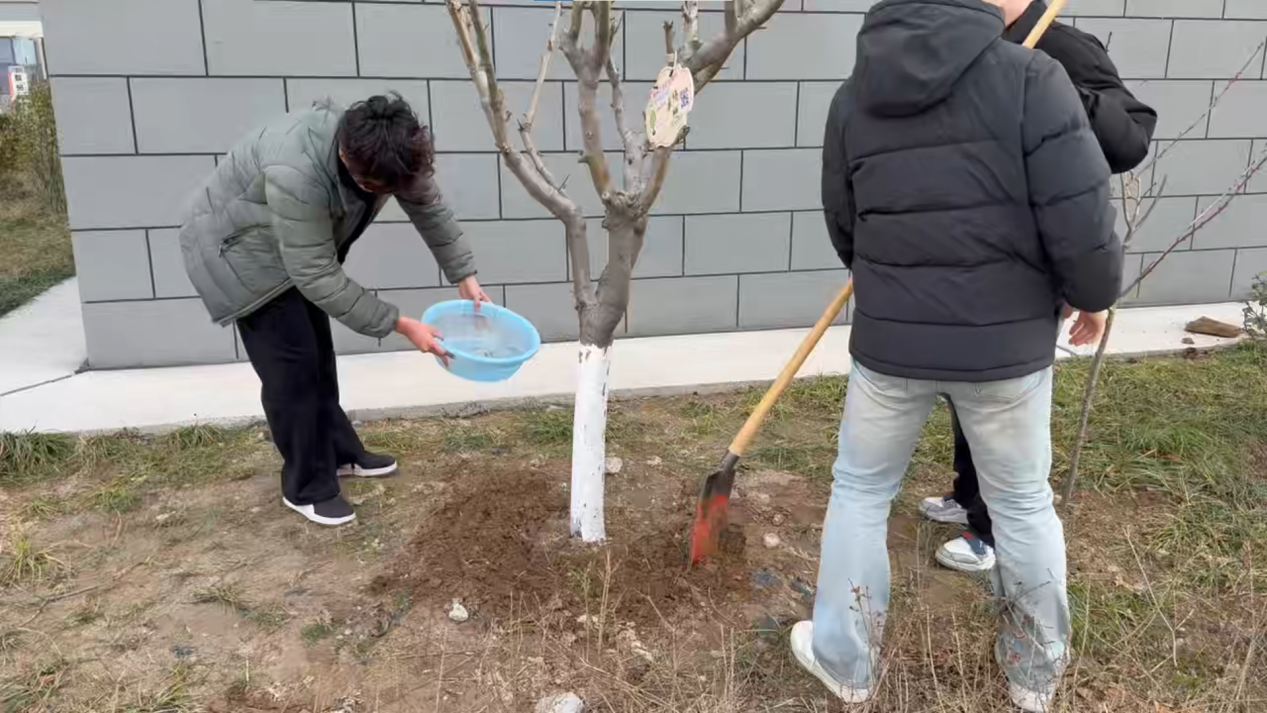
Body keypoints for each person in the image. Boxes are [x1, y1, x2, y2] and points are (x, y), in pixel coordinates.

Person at [792, 0, 1123, 710]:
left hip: (891, 342)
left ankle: (846, 663)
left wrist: (889, 283)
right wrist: (1092, 295)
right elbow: (1079, 208)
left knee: (859, 491)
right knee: (1022, 505)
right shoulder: (1033, 78)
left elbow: (843, 220)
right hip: (1003, 347)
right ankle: (1033, 676)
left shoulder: (854, 95)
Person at [920, 0, 1157, 575]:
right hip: (969, 249)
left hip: (1026, 259)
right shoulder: (974, 42)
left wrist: (1054, 89)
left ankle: (992, 530)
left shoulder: (1061, 47)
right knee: (968, 384)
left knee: (1000, 395)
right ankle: (970, 494)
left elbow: (1131, 137)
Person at [180, 93, 489, 527]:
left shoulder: (394, 151)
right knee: (292, 371)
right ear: (347, 158)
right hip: (239, 255)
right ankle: (306, 486)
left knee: (318, 358)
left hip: (290, 249)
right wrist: (400, 324)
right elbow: (316, 275)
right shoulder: (297, 171)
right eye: (376, 188)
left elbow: (428, 206)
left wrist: (464, 275)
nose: (383, 195)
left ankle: (339, 454)